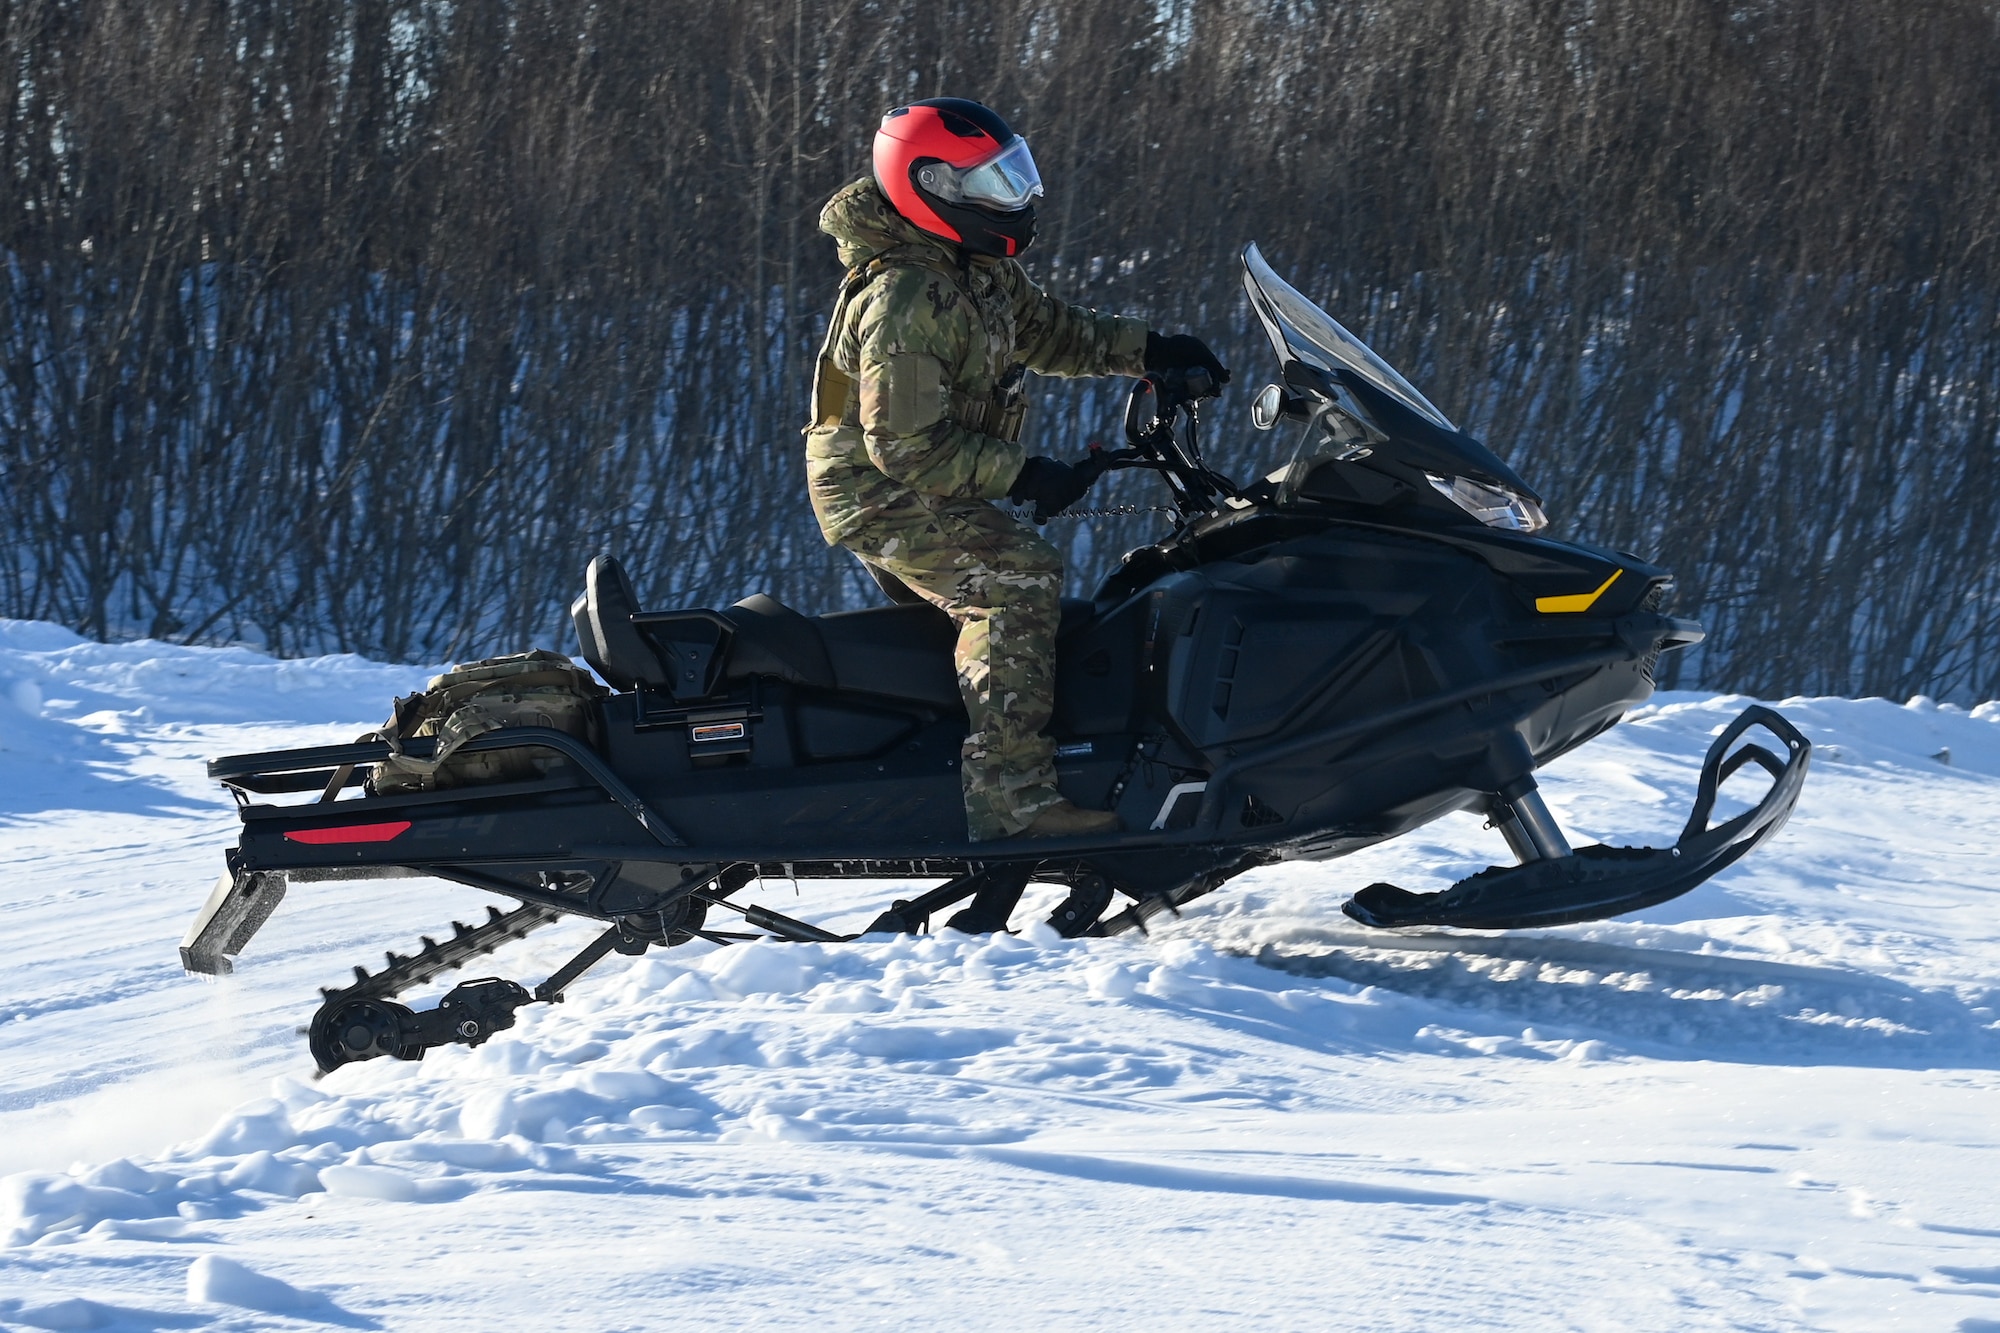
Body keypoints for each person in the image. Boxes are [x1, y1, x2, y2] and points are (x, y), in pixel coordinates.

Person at [803, 97, 1229, 842]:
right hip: (878, 489)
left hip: (917, 472)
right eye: (990, 184)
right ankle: (1014, 805)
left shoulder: (974, 268)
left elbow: (1049, 331)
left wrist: (1152, 349)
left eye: (1015, 176)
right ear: (929, 186)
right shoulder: (909, 294)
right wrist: (1024, 474)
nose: (1016, 198)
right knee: (1014, 581)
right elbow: (905, 447)